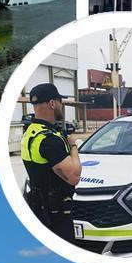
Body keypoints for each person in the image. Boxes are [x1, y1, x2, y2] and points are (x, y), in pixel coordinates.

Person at [21, 82, 82, 241]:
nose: (62, 106)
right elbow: (74, 177)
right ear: (53, 104)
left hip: (38, 208)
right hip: (57, 214)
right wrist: (73, 146)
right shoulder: (50, 140)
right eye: (60, 102)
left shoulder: (30, 133)